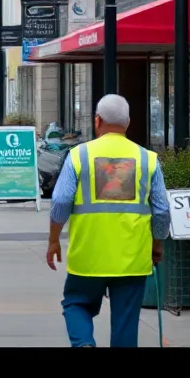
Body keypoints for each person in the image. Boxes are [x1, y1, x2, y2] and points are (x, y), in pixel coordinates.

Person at [46, 94, 171, 348]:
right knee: (126, 321)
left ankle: (83, 344)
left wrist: (53, 240)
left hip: (88, 256)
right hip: (132, 259)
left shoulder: (79, 155)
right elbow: (161, 210)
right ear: (127, 123)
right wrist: (157, 244)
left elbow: (60, 201)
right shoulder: (147, 159)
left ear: (97, 120)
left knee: (76, 303)